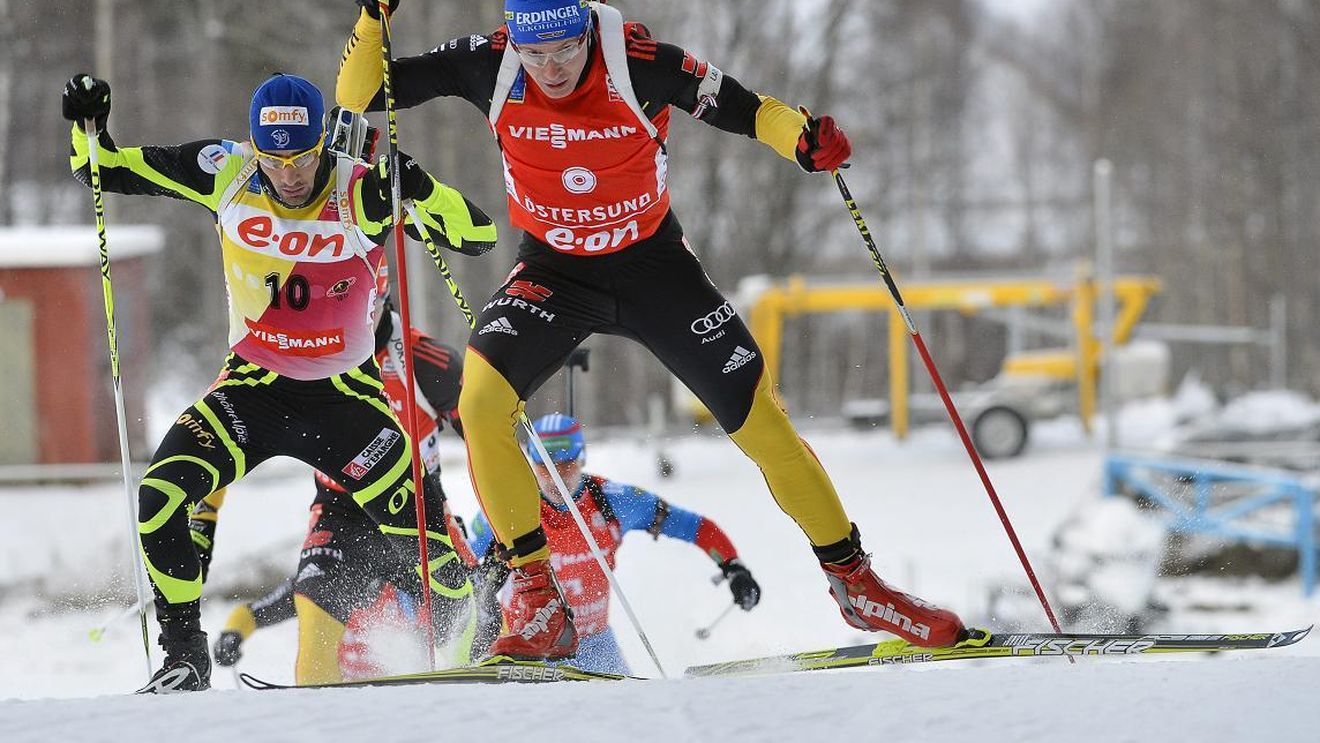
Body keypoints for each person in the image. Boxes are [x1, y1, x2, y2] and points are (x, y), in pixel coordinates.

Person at [337, 0, 965, 660]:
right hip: (554, 271)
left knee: (763, 421)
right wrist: (372, 18)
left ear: (586, 30)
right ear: (513, 41)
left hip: (653, 270)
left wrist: (802, 142)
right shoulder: (487, 64)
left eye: (565, 51)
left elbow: (752, 111)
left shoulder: (641, 64)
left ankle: (855, 582)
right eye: (535, 54)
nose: (550, 68)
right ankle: (539, 595)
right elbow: (359, 95)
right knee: (481, 402)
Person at [63, 71, 497, 692]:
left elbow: (476, 235)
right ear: (254, 146)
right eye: (274, 159)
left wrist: (418, 185)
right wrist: (88, 127)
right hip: (251, 390)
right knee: (159, 497)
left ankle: (466, 642)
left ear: (324, 144)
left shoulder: (362, 190)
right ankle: (185, 657)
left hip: (345, 399)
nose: (288, 175)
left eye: (302, 158)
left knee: (424, 548)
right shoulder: (225, 171)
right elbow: (100, 170)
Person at [190, 282, 485, 684]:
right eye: (348, 303)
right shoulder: (296, 351)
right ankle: (317, 713)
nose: (360, 317)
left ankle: (474, 704)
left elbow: (485, 440)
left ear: (383, 299)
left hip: (414, 504)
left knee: (476, 610)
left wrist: (508, 529)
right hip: (339, 511)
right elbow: (219, 427)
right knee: (313, 610)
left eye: (370, 303)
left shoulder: (422, 360)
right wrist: (204, 514)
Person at [468, 414, 760, 675]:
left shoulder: (613, 500)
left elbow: (693, 527)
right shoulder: (509, 507)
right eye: (546, 465)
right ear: (531, 463)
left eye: (566, 462)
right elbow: (464, 565)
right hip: (530, 647)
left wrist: (733, 566)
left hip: (596, 646)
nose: (556, 474)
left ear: (581, 458)